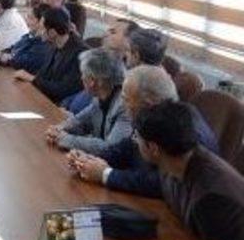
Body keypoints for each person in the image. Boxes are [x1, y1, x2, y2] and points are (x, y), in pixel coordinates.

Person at [68, 65, 221, 198]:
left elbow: (164, 184)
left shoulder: (185, 130)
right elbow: (126, 148)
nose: (122, 105)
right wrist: (88, 160)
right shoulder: (150, 115)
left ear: (148, 104)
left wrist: (106, 174)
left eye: (126, 99)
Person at [133, 101, 244, 240]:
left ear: (153, 148)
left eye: (136, 137)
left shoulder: (209, 198)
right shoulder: (173, 163)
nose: (135, 142)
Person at [46, 49, 130, 154]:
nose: (81, 78)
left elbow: (109, 147)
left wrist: (65, 139)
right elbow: (79, 121)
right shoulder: (99, 97)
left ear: (92, 81)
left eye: (83, 74)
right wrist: (59, 129)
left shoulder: (124, 106)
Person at [63, 17, 139, 114]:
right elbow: (80, 91)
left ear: (128, 41)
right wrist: (64, 104)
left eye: (113, 32)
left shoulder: (126, 78)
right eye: (107, 30)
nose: (105, 34)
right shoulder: (98, 59)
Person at [13, 7, 86, 104]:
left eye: (42, 28)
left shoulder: (80, 53)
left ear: (52, 32)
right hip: (44, 98)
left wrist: (32, 78)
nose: (39, 30)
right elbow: (43, 75)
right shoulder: (53, 44)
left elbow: (63, 89)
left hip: (61, 106)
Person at [0, 4, 51, 73]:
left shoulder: (43, 43)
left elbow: (26, 62)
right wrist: (6, 54)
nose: (26, 21)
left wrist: (11, 57)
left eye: (30, 18)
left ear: (41, 22)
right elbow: (12, 48)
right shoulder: (28, 36)